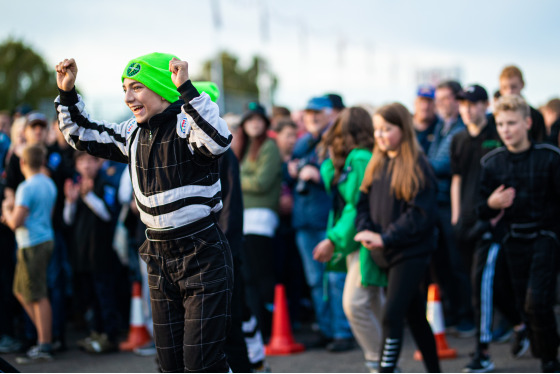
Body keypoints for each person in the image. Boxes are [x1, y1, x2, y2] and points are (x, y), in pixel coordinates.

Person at [54, 53, 233, 372]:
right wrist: (67, 93)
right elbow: (82, 134)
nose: (127, 97)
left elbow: (218, 141)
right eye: (125, 88)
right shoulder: (132, 133)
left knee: (202, 365)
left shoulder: (186, 121)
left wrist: (187, 89)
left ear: (161, 89)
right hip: (157, 256)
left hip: (202, 254)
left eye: (136, 87)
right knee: (168, 365)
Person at [354, 102, 440, 373]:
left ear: (403, 129)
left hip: (411, 253)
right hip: (385, 253)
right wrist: (367, 230)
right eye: (377, 129)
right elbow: (362, 204)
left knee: (392, 316)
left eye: (387, 129)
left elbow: (420, 215)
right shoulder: (376, 164)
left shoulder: (418, 165)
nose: (380, 135)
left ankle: (385, 370)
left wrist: (387, 237)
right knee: (415, 316)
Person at [477, 94, 560, 373]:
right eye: (500, 124)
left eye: (511, 123)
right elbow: (479, 209)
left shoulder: (550, 157)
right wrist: (491, 204)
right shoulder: (492, 162)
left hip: (544, 237)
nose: (506, 130)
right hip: (510, 239)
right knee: (507, 297)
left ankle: (549, 359)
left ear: (526, 122)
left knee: (538, 301)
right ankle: (524, 332)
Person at [312, 107, 385, 371]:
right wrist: (334, 158)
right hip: (358, 241)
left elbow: (356, 205)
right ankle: (384, 360)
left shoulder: (361, 157)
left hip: (362, 240)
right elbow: (335, 184)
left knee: (355, 304)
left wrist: (333, 239)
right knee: (373, 302)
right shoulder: (355, 158)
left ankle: (378, 361)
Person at [288, 96, 352, 351]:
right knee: (315, 281)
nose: (312, 117)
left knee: (335, 278)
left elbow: (343, 178)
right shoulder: (304, 142)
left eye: (317, 113)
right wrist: (292, 169)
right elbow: (287, 171)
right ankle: (327, 330)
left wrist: (318, 174)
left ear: (330, 114)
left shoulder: (338, 142)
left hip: (328, 219)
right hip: (303, 220)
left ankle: (342, 332)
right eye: (309, 113)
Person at [1, 144, 57, 364]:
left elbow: (15, 222)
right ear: (42, 161)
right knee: (21, 290)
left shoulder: (26, 187)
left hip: (31, 244)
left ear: (23, 163)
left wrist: (6, 209)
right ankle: (44, 338)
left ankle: (44, 344)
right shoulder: (49, 183)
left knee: (38, 293)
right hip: (44, 239)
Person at [232, 102, 282, 339]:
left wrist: (236, 176)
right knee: (248, 276)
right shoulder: (244, 145)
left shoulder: (270, 146)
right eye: (250, 119)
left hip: (261, 217)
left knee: (262, 275)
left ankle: (272, 326)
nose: (254, 123)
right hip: (244, 218)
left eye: (259, 120)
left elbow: (261, 182)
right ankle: (260, 326)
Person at [427, 80, 473, 337]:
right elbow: (433, 161)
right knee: (441, 264)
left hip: (452, 205)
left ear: (457, 100)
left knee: (458, 264)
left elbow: (442, 164)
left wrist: (425, 166)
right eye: (439, 98)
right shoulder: (440, 128)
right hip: (437, 203)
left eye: (447, 98)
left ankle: (466, 315)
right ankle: (455, 313)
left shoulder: (460, 129)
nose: (442, 103)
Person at [63, 151, 121, 354]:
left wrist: (88, 197)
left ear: (98, 163)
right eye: (82, 161)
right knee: (91, 297)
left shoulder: (104, 184)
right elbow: (68, 221)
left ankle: (110, 336)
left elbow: (107, 214)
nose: (86, 165)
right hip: (82, 253)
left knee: (105, 295)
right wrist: (70, 201)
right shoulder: (76, 185)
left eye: (90, 160)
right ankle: (96, 333)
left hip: (101, 252)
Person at [487, 65, 545, 142]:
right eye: (505, 87)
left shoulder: (536, 116)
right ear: (500, 89)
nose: (509, 92)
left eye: (513, 87)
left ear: (522, 85)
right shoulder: (491, 119)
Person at [413, 84, 438, 153]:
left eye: (429, 102)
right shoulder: (405, 124)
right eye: (421, 101)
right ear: (415, 103)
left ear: (435, 104)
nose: (425, 106)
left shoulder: (442, 128)